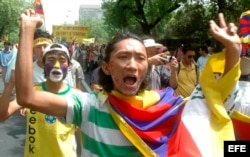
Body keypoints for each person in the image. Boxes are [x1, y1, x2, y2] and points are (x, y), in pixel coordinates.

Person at [15, 9, 241, 156]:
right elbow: (27, 97)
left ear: (146, 67)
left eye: (140, 58)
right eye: (123, 57)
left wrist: (232, 50)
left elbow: (213, 99)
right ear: (106, 67)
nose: (132, 65)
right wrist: (26, 30)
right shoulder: (87, 106)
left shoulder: (165, 107)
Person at [0, 43, 79, 156]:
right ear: (42, 63)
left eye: (62, 60)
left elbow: (85, 137)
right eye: (51, 59)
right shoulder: (30, 93)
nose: (56, 65)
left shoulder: (77, 96)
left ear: (68, 65)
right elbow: (2, 116)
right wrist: (10, 83)